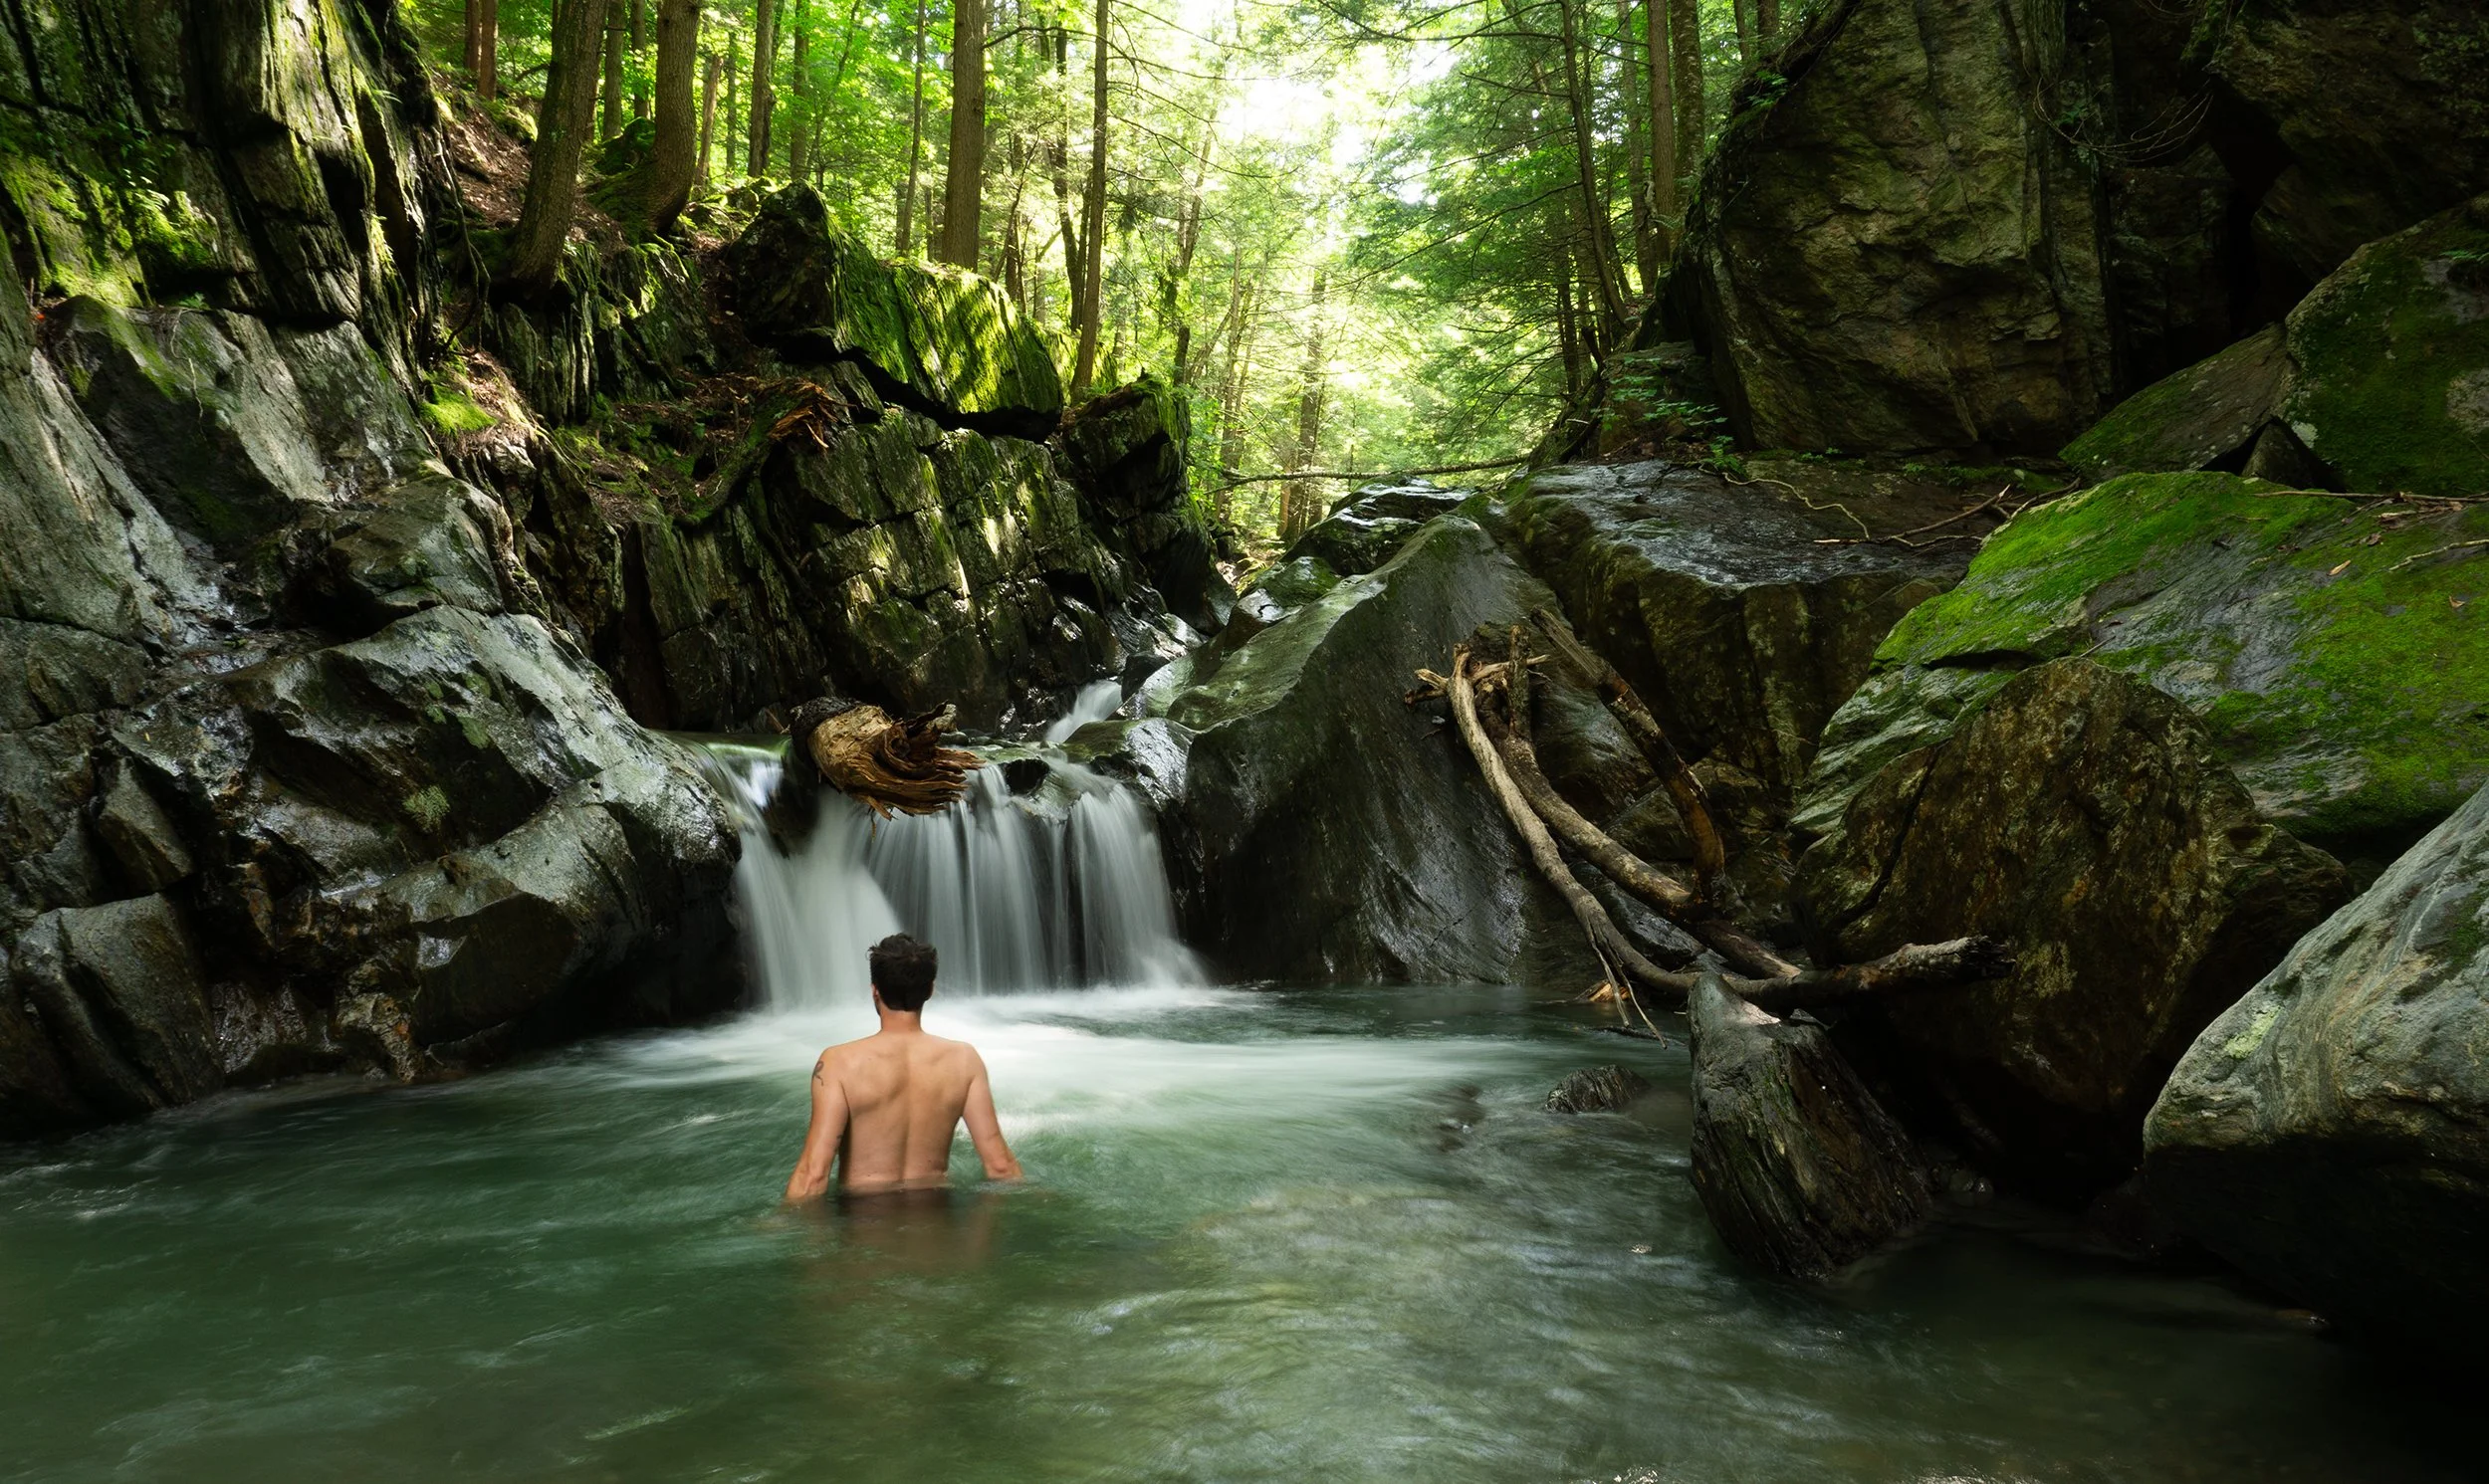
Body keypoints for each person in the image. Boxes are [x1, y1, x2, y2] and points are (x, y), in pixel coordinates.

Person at [783, 934, 1023, 1201]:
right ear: (930, 989)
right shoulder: (964, 1060)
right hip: (936, 1223)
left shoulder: (838, 1063)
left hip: (865, 1226)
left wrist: (779, 1227)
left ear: (875, 989)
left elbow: (814, 1175)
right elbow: (1001, 1167)